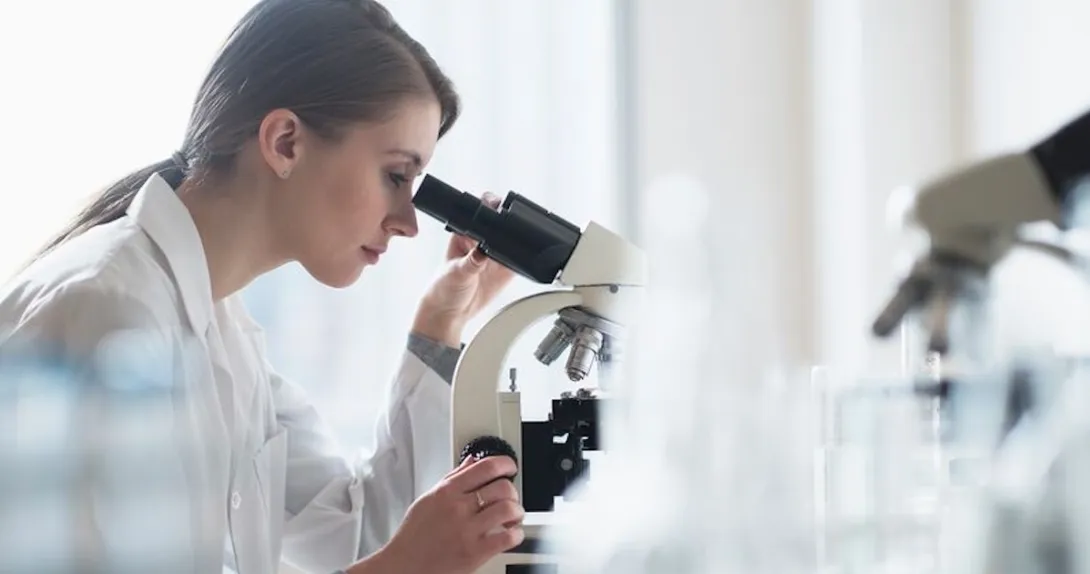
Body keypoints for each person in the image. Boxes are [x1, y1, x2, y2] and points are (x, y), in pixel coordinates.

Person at [0, 0, 525, 573]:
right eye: (396, 176)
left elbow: (359, 537)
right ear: (285, 143)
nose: (408, 222)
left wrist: (440, 325)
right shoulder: (106, 314)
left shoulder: (223, 332)